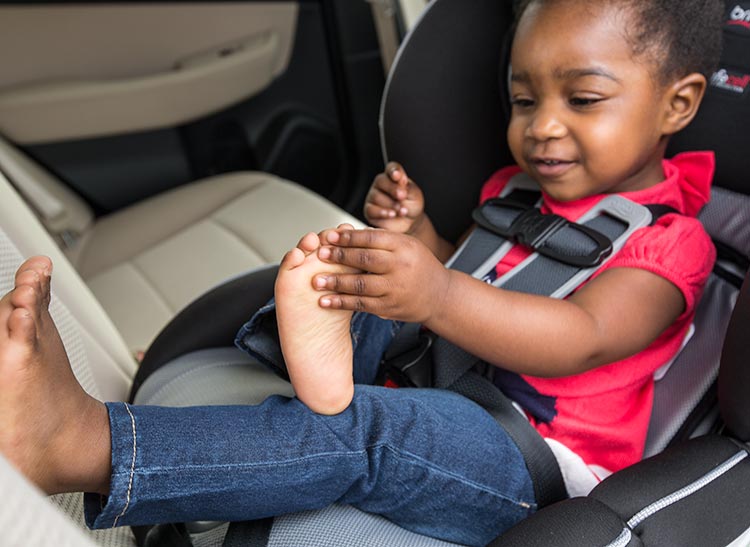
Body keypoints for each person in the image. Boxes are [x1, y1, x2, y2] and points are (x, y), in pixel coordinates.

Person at [0, 0, 723, 545]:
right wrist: (416, 239)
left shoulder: (672, 243)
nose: (542, 126)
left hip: (530, 458)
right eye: (524, 99)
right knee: (360, 278)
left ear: (678, 102)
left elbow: (582, 334)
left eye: (583, 99)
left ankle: (86, 445)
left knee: (370, 434)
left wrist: (436, 293)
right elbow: (469, 272)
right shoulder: (516, 189)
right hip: (444, 371)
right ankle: (300, 344)